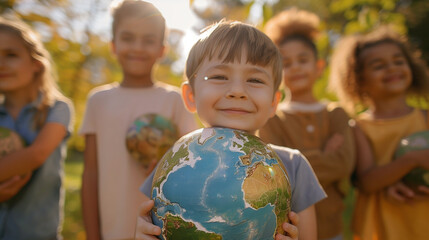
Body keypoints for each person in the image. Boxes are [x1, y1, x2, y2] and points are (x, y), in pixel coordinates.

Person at [135, 20, 327, 240]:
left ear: (274, 102)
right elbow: (146, 225)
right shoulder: (173, 164)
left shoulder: (294, 166)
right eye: (219, 77)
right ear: (191, 96)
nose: (237, 91)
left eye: (255, 79)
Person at [79, 1, 198, 239]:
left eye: (148, 40)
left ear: (162, 49)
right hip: (111, 228)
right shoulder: (98, 100)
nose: (137, 47)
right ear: (113, 45)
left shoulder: (176, 100)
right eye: (128, 38)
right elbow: (90, 173)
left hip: (159, 230)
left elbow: (192, 164)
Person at [258, 8, 356, 240]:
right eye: (287, 63)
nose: (296, 68)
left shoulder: (337, 114)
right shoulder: (271, 118)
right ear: (277, 73)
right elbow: (277, 175)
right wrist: (324, 155)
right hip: (289, 230)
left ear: (319, 66)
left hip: (334, 227)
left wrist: (297, 162)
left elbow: (343, 164)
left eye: (303, 60)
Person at [329, 26, 429, 240]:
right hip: (384, 225)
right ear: (358, 79)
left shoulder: (425, 117)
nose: (392, 68)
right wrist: (412, 160)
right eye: (378, 66)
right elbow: (367, 181)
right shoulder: (359, 127)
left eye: (398, 61)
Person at [0, 14, 74, 239]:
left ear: (36, 64)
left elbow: (36, 154)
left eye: (11, 55)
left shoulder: (58, 109)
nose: (1, 63)